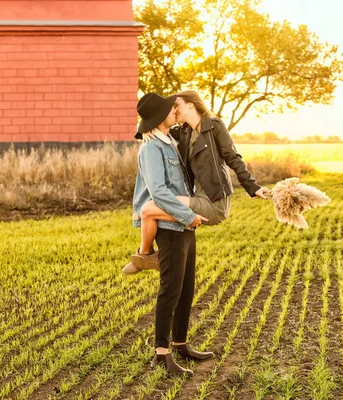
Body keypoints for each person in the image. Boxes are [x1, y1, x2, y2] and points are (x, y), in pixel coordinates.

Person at [126, 90, 270, 272]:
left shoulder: (215, 126)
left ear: (191, 104)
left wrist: (253, 186)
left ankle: (143, 256)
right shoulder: (184, 132)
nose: (174, 109)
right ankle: (144, 256)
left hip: (214, 200)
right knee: (151, 206)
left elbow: (233, 157)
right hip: (196, 196)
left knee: (149, 208)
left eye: (176, 105)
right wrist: (144, 132)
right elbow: (159, 130)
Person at [124, 92, 214, 376]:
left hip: (184, 225)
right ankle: (161, 354)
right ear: (158, 117)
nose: (173, 110)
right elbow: (158, 190)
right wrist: (188, 215)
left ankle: (180, 344)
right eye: (169, 109)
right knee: (170, 291)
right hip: (170, 226)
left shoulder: (170, 140)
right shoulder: (151, 148)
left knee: (186, 288)